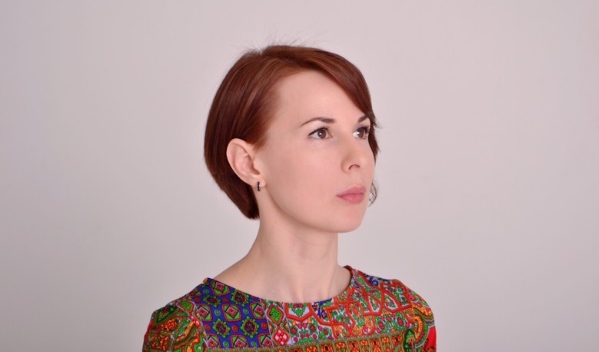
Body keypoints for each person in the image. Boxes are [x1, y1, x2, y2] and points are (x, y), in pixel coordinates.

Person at [142, 45, 436, 352]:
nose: (359, 158)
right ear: (248, 163)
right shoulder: (191, 333)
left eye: (361, 132)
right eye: (320, 132)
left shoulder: (403, 316)